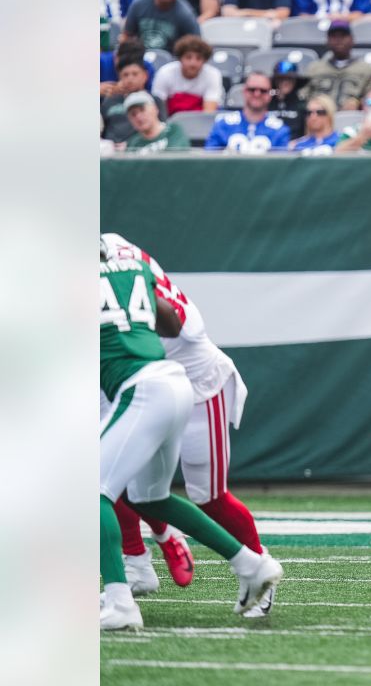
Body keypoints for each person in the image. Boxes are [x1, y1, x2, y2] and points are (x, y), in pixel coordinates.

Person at [98, 240, 283, 630]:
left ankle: (121, 599)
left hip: (184, 382)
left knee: (204, 496)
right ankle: (244, 565)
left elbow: (183, 326)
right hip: (161, 380)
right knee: (143, 492)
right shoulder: (125, 262)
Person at [303, 20, 371, 111]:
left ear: (352, 40)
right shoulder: (314, 69)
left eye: (343, 36)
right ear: (327, 41)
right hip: (319, 116)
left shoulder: (367, 70)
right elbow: (303, 96)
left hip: (353, 119)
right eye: (334, 36)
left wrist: (358, 103)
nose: (338, 40)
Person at [122, 0, 202, 52]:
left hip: (172, 61)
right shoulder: (138, 5)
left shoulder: (186, 14)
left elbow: (196, 46)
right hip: (140, 58)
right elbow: (126, 36)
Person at [206, 72, 292, 151]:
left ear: (269, 95)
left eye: (263, 91)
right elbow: (209, 162)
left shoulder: (279, 130)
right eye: (252, 89)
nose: (257, 94)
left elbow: (281, 166)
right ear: (244, 91)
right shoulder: (223, 125)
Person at [150, 34, 223, 115]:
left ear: (204, 61)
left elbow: (208, 113)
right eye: (188, 57)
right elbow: (158, 110)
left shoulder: (213, 75)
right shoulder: (165, 73)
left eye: (198, 58)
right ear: (180, 58)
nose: (193, 63)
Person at [102, 56, 164, 144]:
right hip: (112, 152)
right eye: (125, 75)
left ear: (145, 75)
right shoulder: (109, 101)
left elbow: (162, 131)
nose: (130, 79)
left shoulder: (155, 101)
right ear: (119, 77)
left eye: (135, 74)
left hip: (143, 149)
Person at [124, 92, 191, 153]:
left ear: (155, 109)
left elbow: (176, 160)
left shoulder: (173, 130)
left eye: (142, 110)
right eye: (133, 114)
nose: (138, 116)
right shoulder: (133, 143)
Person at [268, 60, 309, 138]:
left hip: (295, 148)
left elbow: (309, 134)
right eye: (281, 79)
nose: (285, 82)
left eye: (289, 79)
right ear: (275, 81)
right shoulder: (266, 103)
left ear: (295, 81)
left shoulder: (303, 105)